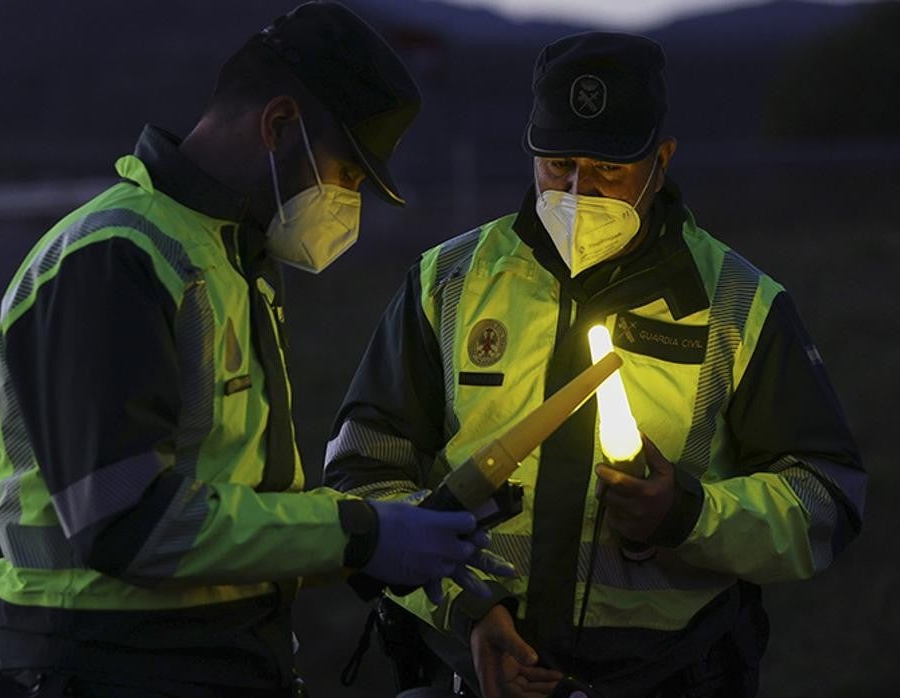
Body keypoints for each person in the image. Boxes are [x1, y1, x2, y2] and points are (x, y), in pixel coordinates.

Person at [0, 3, 510, 696]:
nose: (346, 203)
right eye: (345, 174)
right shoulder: (116, 260)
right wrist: (359, 534)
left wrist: (370, 544)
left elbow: (234, 500)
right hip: (105, 665)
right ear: (279, 126)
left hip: (210, 659)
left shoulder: (231, 260)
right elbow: (126, 525)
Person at [324, 32, 866, 698]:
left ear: (661, 160)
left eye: (609, 169)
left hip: (669, 679)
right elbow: (363, 472)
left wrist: (686, 515)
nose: (580, 191)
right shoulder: (446, 282)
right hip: (472, 671)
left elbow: (824, 500)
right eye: (559, 165)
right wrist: (467, 610)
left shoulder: (738, 303)